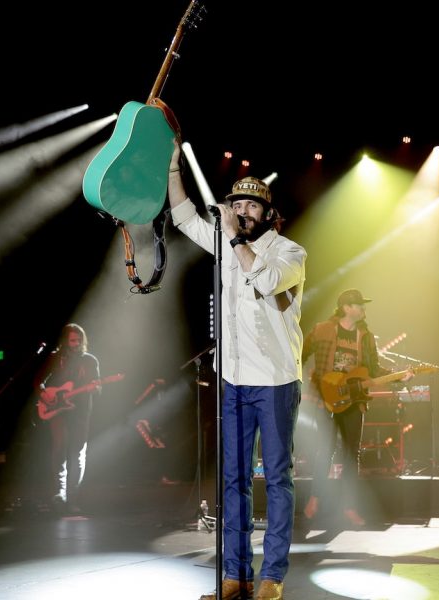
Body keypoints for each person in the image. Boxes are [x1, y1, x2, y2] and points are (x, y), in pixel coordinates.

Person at [168, 143, 306, 600]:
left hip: (277, 380)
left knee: (279, 478)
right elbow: (185, 215)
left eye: (250, 205)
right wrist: (173, 163)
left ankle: (272, 577)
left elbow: (265, 282)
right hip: (233, 377)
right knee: (233, 480)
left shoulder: (289, 252)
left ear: (268, 213)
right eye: (236, 204)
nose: (240, 210)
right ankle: (235, 575)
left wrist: (233, 239)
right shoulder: (227, 243)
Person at [301, 289, 410, 527]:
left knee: (352, 453)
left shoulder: (365, 336)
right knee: (325, 450)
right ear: (346, 307)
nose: (363, 309)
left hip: (354, 400)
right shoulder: (322, 330)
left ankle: (348, 505)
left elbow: (373, 370)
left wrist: (399, 376)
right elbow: (300, 353)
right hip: (326, 398)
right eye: (359, 305)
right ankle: (315, 498)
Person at [35, 323, 100, 514]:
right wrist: (44, 394)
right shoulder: (56, 358)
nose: (76, 343)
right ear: (66, 341)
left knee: (78, 455)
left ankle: (73, 498)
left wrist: (95, 388)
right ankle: (59, 493)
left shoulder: (90, 361)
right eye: (72, 340)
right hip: (59, 410)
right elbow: (38, 380)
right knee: (59, 448)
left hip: (80, 413)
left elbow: (98, 387)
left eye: (79, 340)